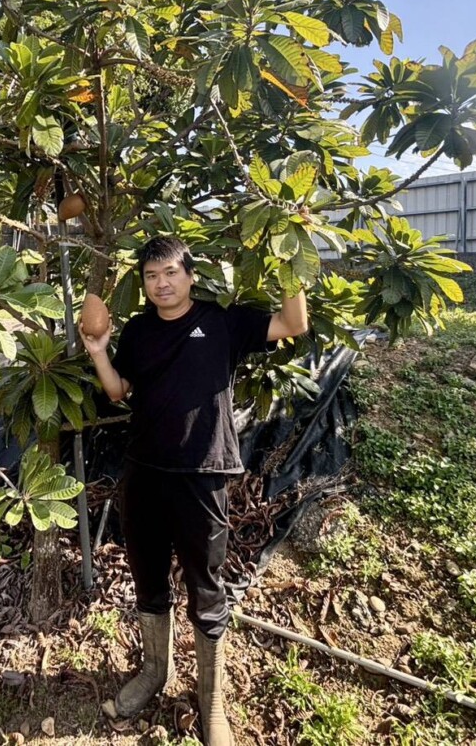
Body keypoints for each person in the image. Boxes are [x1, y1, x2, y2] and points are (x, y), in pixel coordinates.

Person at [84, 235, 308, 746]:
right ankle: (154, 672)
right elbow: (118, 391)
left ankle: (212, 701)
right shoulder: (138, 331)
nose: (161, 283)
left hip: (203, 475)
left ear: (190, 275)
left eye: (170, 273)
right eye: (151, 276)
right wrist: (98, 352)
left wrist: (291, 258)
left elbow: (293, 324)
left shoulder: (222, 321)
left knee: (206, 586)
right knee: (148, 576)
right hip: (144, 472)